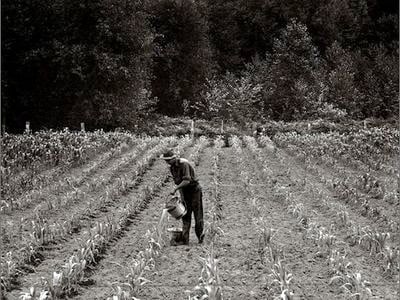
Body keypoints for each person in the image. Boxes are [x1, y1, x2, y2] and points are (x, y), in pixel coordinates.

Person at [161, 149, 204, 246]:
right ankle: (185, 240)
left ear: (173, 158)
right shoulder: (172, 167)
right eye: (166, 161)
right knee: (185, 214)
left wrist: (176, 189)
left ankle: (200, 238)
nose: (167, 162)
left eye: (168, 160)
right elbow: (179, 182)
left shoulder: (183, 164)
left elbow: (187, 181)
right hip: (185, 191)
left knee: (198, 215)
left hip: (194, 190)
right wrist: (181, 195)